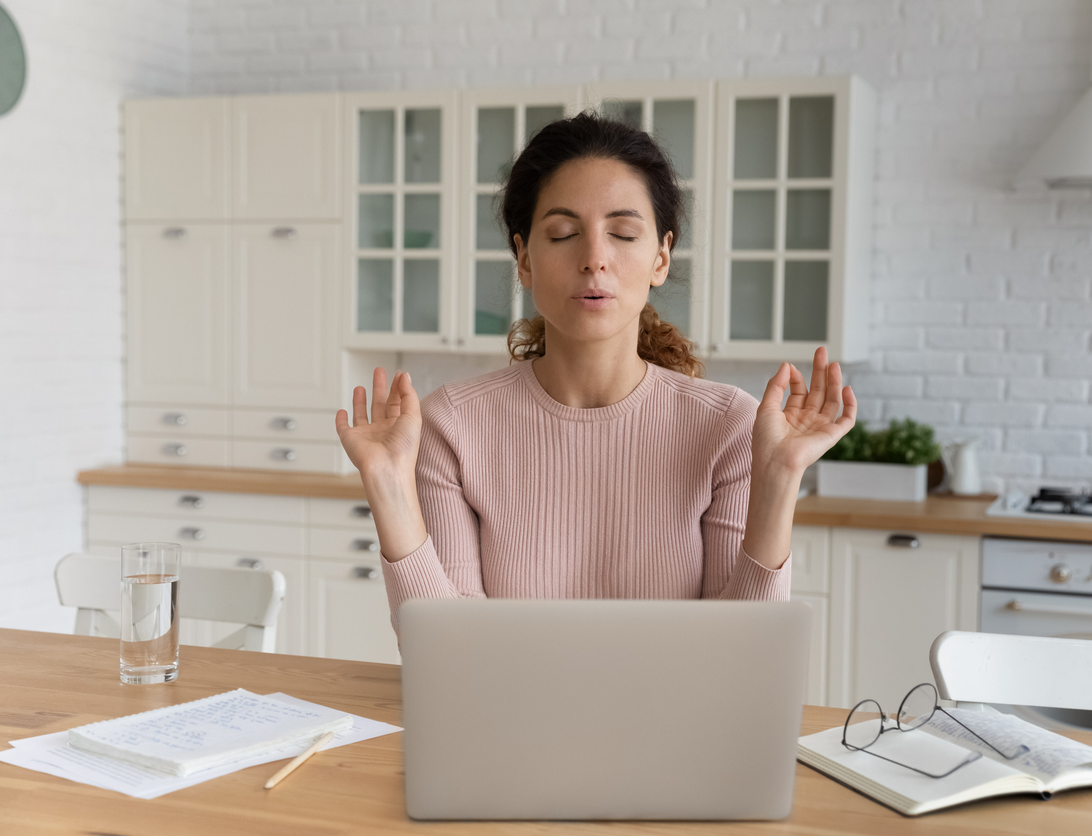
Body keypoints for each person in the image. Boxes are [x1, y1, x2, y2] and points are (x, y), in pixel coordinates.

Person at [336, 112, 856, 636]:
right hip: (511, 717)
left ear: (661, 257)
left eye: (624, 233)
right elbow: (446, 652)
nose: (594, 259)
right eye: (563, 234)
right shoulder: (454, 423)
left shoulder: (729, 426)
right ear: (524, 259)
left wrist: (781, 477)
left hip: (675, 719)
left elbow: (745, 658)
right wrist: (386, 484)